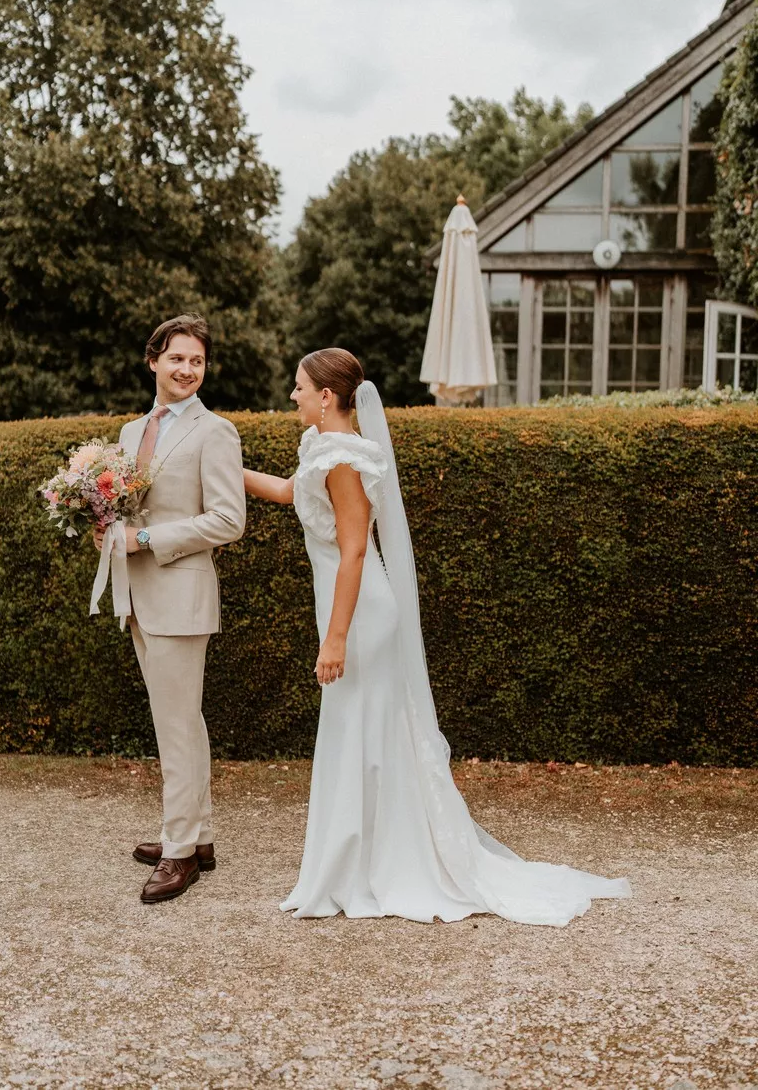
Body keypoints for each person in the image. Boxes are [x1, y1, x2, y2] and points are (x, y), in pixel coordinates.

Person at [244, 347, 631, 924]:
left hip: (360, 616)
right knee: (359, 737)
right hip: (350, 610)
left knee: (360, 737)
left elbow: (354, 552)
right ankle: (357, 864)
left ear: (326, 396)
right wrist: (220, 468)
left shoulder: (344, 459)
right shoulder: (325, 449)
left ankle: (366, 869)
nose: (292, 395)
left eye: (299, 386)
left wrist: (336, 638)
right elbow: (285, 492)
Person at [94, 314, 246, 904]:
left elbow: (228, 520)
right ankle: (197, 836)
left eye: (197, 361)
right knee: (182, 722)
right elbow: (125, 509)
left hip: (181, 595)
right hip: (137, 593)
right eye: (177, 358)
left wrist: (145, 540)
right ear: (153, 360)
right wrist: (104, 527)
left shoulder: (217, 432)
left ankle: (179, 851)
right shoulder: (131, 430)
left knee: (176, 726)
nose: (187, 369)